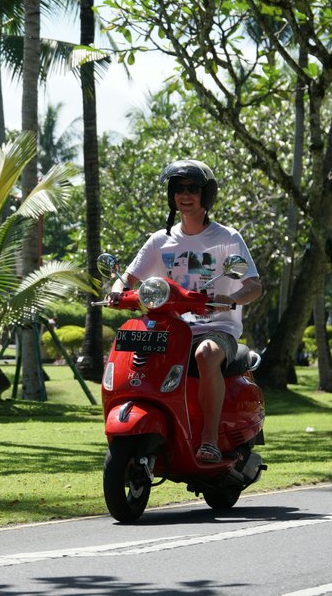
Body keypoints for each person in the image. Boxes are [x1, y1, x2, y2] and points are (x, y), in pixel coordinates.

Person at [108, 160, 262, 463]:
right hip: (171, 328)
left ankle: (208, 442)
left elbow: (254, 286)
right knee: (130, 349)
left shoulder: (226, 238)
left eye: (193, 188)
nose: (185, 194)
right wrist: (116, 289)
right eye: (178, 188)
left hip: (218, 329)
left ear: (207, 194)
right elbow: (128, 279)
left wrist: (230, 299)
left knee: (205, 353)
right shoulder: (160, 241)